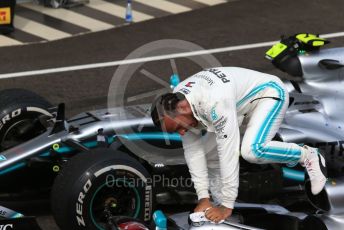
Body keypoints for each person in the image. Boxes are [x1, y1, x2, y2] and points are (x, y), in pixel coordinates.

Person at [150, 67, 327, 223]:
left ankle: (307, 155)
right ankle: (219, 206)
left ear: (184, 109)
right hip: (237, 105)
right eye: (175, 132)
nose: (181, 133)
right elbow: (193, 153)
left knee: (252, 150)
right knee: (209, 155)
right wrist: (203, 198)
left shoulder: (214, 103)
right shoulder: (178, 102)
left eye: (179, 128)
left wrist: (228, 205)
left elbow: (229, 153)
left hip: (268, 93)